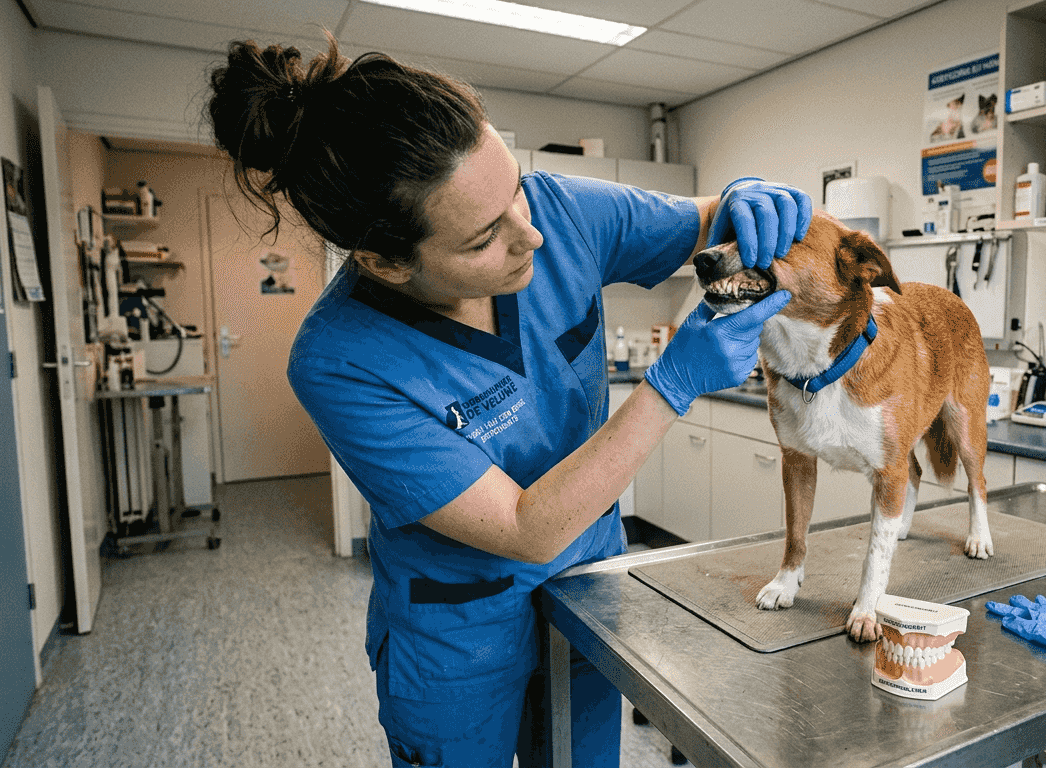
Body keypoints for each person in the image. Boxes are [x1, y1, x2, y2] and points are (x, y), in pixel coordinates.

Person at [206, 35, 811, 768]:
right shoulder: (341, 360)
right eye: (485, 236)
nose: (532, 235)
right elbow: (525, 529)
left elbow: (706, 217)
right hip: (458, 640)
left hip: (588, 596)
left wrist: (741, 200)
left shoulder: (557, 212)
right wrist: (672, 382)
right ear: (383, 261)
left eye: (515, 189)